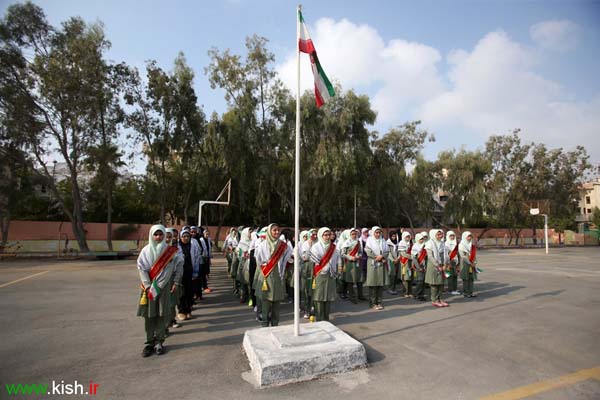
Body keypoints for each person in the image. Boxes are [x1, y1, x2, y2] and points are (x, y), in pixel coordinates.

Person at [136, 225, 183, 357]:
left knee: (162, 314)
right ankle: (149, 342)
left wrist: (163, 285)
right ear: (151, 235)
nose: (158, 237)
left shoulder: (170, 251)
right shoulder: (145, 251)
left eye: (160, 234)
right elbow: (142, 268)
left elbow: (173, 269)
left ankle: (159, 342)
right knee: (149, 315)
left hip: (163, 288)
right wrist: (147, 285)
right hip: (148, 288)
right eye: (156, 234)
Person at [255, 223, 293, 327]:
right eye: (274, 230)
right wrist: (266, 266)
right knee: (266, 304)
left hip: (278, 276)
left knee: (276, 305)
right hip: (266, 277)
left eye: (278, 230)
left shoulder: (283, 245)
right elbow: (258, 259)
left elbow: (288, 256)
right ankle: (265, 325)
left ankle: (275, 325)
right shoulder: (263, 245)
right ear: (269, 232)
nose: (277, 232)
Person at [310, 227, 340, 321]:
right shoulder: (316, 246)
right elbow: (316, 260)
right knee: (319, 297)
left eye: (329, 235)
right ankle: (319, 319)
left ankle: (326, 319)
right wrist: (325, 266)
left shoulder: (333, 247)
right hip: (320, 274)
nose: (328, 237)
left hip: (330, 275)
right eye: (325, 235)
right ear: (321, 236)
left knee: (328, 297)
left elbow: (337, 258)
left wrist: (337, 268)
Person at [177, 229, 200, 321]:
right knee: (181, 293)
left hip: (190, 272)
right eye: (183, 236)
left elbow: (196, 258)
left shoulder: (193, 246)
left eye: (187, 236)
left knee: (190, 293)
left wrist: (196, 271)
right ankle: (181, 311)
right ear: (180, 237)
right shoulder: (177, 247)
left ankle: (188, 310)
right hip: (180, 273)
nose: (186, 238)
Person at [364, 226, 389, 310]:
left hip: (381, 264)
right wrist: (377, 257)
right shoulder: (369, 240)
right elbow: (368, 252)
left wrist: (381, 256)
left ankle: (379, 302)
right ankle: (373, 303)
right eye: (376, 232)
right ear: (373, 233)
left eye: (379, 233)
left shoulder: (383, 240)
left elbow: (387, 251)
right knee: (373, 284)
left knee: (380, 284)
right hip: (372, 264)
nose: (378, 234)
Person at [425, 229, 449, 308]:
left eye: (441, 234)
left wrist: (445, 264)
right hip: (433, 265)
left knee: (441, 283)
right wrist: (437, 265)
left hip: (442, 264)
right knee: (434, 283)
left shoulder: (443, 243)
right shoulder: (429, 243)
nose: (440, 236)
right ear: (433, 235)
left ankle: (441, 299)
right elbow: (430, 256)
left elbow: (446, 255)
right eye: (438, 235)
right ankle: (434, 300)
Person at [165, 228, 183, 331]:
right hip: (158, 281)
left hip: (172, 278)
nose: (167, 239)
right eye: (166, 236)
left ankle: (172, 320)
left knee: (171, 302)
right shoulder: (154, 248)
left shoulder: (176, 249)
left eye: (170, 237)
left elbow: (180, 263)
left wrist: (176, 281)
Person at [341, 228, 364, 304]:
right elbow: (343, 254)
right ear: (349, 235)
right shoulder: (346, 243)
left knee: (359, 279)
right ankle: (352, 297)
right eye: (352, 234)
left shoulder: (358, 242)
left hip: (357, 262)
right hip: (350, 264)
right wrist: (351, 257)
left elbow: (360, 252)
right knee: (350, 280)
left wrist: (359, 256)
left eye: (355, 234)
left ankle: (360, 295)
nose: (354, 235)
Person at [301, 229, 317, 319]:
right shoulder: (305, 244)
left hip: (316, 266)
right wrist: (310, 248)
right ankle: (307, 309)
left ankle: (314, 308)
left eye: (315, 234)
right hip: (307, 268)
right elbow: (304, 257)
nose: (314, 236)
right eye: (312, 234)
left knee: (315, 289)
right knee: (307, 289)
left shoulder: (318, 243)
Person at [459, 231, 478, 298]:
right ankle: (466, 292)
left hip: (472, 263)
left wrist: (475, 262)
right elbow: (463, 256)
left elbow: (474, 255)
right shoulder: (461, 245)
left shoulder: (471, 245)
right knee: (466, 278)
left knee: (471, 278)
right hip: (465, 264)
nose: (469, 238)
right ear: (464, 237)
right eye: (468, 236)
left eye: (470, 236)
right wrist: (470, 263)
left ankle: (471, 292)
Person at [236, 228, 252, 304]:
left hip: (250, 263)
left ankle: (250, 297)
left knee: (249, 281)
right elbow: (238, 253)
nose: (250, 234)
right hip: (243, 263)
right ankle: (242, 296)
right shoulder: (241, 243)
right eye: (249, 232)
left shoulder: (252, 241)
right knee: (243, 281)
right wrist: (243, 255)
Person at [411, 233, 428, 301]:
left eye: (422, 239)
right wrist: (418, 267)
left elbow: (426, 257)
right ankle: (417, 294)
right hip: (418, 265)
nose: (422, 240)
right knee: (420, 281)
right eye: (420, 239)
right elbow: (414, 258)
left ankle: (421, 294)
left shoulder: (425, 246)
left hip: (424, 265)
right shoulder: (415, 246)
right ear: (417, 239)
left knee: (423, 281)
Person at [444, 230, 460, 295]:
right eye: (451, 236)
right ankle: (450, 289)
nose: (452, 237)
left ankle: (455, 288)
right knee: (450, 276)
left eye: (453, 235)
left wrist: (458, 263)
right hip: (449, 262)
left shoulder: (456, 243)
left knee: (455, 276)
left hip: (455, 261)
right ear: (448, 236)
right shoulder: (446, 244)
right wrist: (448, 263)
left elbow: (458, 253)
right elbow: (446, 254)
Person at [398, 231, 413, 298]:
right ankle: (405, 292)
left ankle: (410, 292)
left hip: (411, 262)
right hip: (405, 262)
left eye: (409, 237)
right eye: (406, 237)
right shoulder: (401, 243)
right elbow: (403, 254)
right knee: (405, 278)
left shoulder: (411, 243)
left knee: (410, 277)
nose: (408, 238)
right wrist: (411, 256)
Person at [386, 230, 401, 295]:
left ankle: (394, 288)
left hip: (397, 260)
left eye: (395, 236)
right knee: (392, 274)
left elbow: (399, 252)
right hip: (391, 260)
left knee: (396, 275)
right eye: (392, 236)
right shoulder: (388, 243)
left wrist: (397, 258)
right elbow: (388, 253)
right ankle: (390, 288)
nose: (394, 237)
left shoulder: (397, 243)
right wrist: (393, 260)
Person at [199, 228, 212, 293]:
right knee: (203, 273)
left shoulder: (209, 240)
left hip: (207, 257)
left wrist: (209, 258)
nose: (207, 235)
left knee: (206, 272)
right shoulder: (201, 240)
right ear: (203, 234)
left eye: (208, 234)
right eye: (206, 234)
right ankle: (203, 286)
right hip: (202, 258)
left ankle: (204, 286)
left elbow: (209, 248)